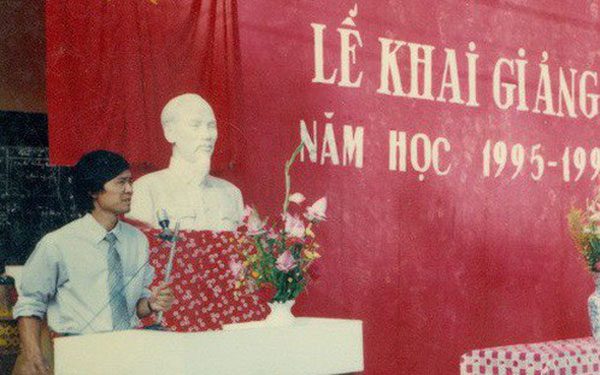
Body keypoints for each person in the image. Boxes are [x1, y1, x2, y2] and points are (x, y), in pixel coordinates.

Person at [12, 150, 174, 375]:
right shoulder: (58, 243)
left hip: (131, 352)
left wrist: (151, 304)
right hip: (81, 354)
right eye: (121, 183)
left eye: (130, 181)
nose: (130, 189)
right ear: (93, 190)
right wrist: (33, 355)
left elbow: (136, 307)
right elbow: (30, 302)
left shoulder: (137, 241)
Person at [126, 93, 244, 231]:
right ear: (170, 132)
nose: (207, 135)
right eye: (195, 125)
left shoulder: (231, 193)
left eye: (211, 126)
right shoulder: (146, 189)